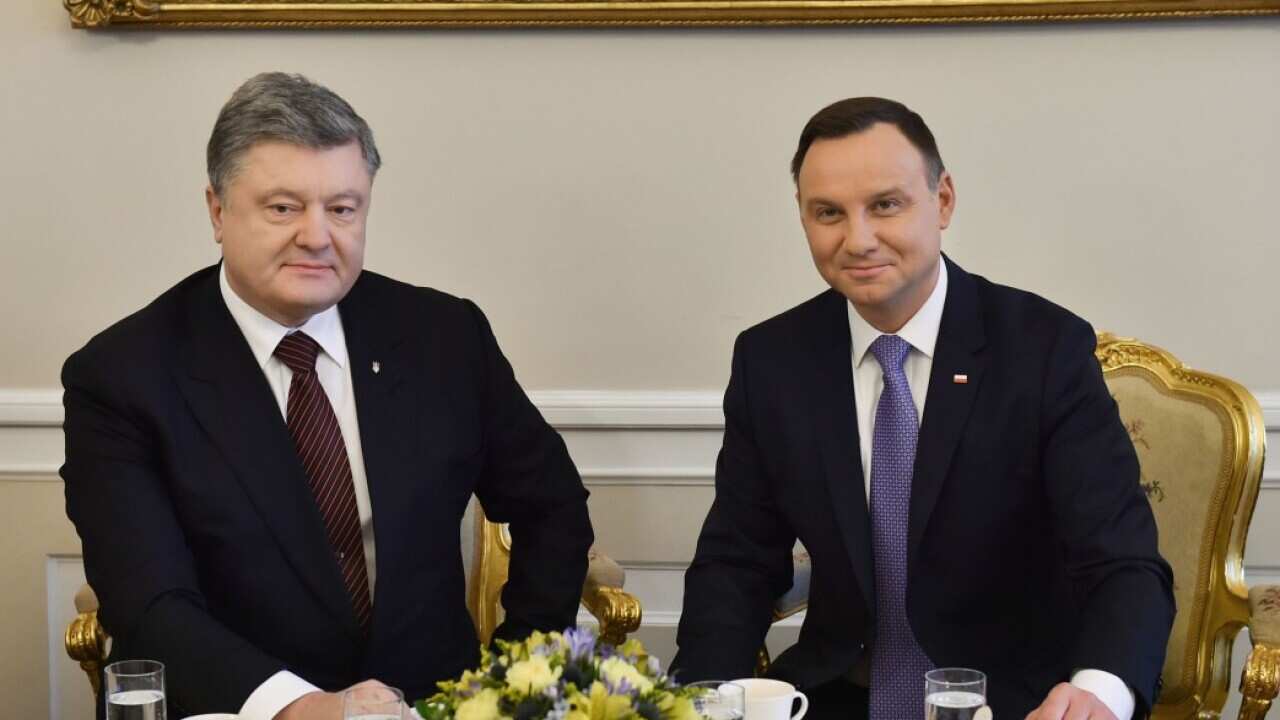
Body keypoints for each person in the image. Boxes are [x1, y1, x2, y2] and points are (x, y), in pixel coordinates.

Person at [61, 72, 593, 720]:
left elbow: (554, 507)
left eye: (342, 209)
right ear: (217, 211)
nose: (317, 236)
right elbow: (150, 603)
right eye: (283, 208)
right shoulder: (123, 376)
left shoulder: (445, 338)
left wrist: (515, 682)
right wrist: (307, 708)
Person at [672, 97, 1174, 720]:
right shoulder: (772, 361)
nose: (857, 240)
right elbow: (737, 560)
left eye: (885, 205)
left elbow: (1122, 563)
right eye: (828, 213)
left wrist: (1099, 690)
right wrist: (698, 698)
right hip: (835, 697)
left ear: (942, 202)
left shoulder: (1044, 349)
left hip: (1014, 703)